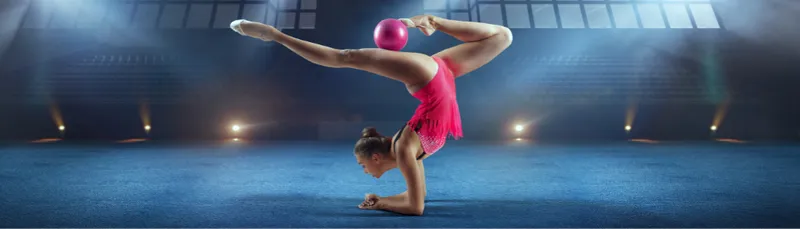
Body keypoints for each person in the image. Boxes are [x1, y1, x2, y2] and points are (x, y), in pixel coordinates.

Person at [230, 15, 512, 215]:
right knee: (503, 36)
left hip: (429, 76)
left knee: (346, 56)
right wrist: (384, 199)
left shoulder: (404, 149)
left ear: (376, 156)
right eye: (362, 166)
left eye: (362, 166)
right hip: (441, 75)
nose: (364, 170)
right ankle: (433, 21)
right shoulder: (406, 152)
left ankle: (275, 35)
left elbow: (414, 206)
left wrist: (381, 204)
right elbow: (418, 199)